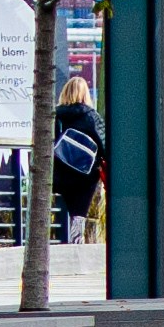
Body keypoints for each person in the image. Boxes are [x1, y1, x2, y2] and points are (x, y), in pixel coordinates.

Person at [51, 73, 107, 247]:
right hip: (85, 175)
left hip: (61, 173)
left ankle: (62, 238)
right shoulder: (91, 116)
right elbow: (104, 144)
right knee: (79, 211)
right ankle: (76, 242)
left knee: (65, 206)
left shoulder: (56, 115)